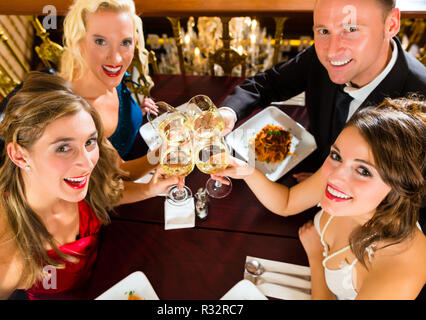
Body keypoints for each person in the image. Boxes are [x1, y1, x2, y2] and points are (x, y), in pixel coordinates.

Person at [0, 72, 179, 299]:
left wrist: (150, 187)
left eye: (90, 142)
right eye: (63, 148)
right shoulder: (3, 261)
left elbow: (105, 192)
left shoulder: (77, 141)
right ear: (20, 156)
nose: (86, 163)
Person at [212, 97, 426, 299]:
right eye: (336, 155)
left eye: (363, 171)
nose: (333, 176)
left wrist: (316, 257)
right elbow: (287, 202)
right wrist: (247, 171)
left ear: (400, 186)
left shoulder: (402, 267)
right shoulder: (338, 176)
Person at [219, 0, 426, 173]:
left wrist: (334, 186)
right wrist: (227, 114)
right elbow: (269, 83)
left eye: (351, 29)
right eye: (324, 30)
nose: (331, 52)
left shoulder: (421, 100)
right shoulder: (320, 56)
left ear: (391, 24)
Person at [60, 0, 159, 181]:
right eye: (100, 41)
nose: (116, 58)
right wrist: (163, 154)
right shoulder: (79, 114)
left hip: (142, 146)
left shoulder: (105, 72)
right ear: (80, 43)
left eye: (125, 42)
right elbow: (121, 172)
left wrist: (136, 110)